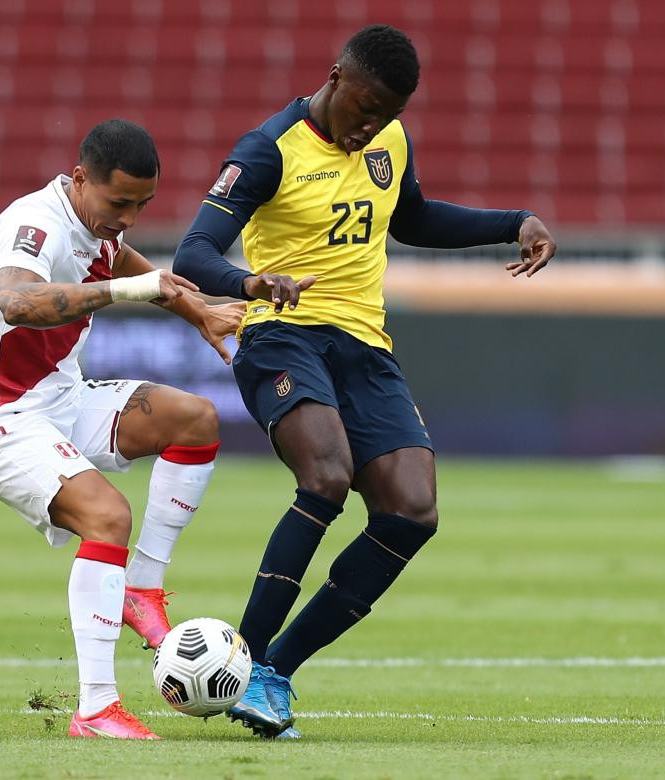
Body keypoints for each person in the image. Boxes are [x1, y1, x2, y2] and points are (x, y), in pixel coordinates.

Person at [172, 25, 556, 739]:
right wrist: (250, 281)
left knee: (413, 510)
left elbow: (410, 217)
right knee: (326, 476)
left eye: (388, 114)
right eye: (365, 108)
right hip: (281, 334)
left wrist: (515, 221)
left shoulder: (389, 139)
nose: (372, 126)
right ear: (336, 77)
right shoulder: (269, 149)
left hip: (365, 345)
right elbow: (192, 251)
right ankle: (246, 664)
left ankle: (275, 671)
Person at [0, 119, 244, 740]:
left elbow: (129, 263)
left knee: (195, 420)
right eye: (120, 203)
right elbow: (19, 303)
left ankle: (142, 588)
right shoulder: (33, 226)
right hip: (1, 419)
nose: (130, 217)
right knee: (107, 516)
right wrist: (129, 289)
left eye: (143, 204)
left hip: (61, 401)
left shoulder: (94, 222)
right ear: (79, 178)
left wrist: (198, 313)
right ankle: (96, 707)